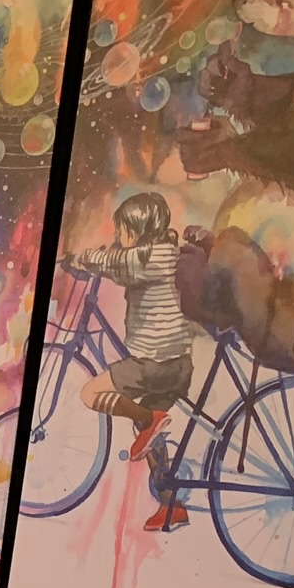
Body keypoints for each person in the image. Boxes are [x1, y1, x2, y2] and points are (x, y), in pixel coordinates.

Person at [66, 191, 196, 531]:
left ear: (137, 231)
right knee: (150, 432)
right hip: (180, 366)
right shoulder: (170, 252)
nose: (118, 236)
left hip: (151, 365)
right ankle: (171, 506)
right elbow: (119, 256)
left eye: (123, 230)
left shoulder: (143, 259)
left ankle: (147, 416)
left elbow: (114, 263)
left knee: (90, 394)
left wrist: (79, 258)